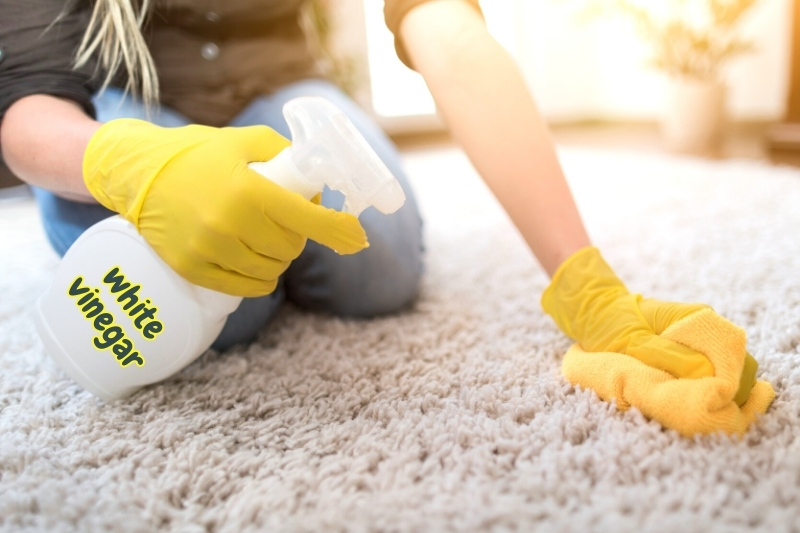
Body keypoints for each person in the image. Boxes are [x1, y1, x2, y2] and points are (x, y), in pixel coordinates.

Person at [0, 0, 762, 418]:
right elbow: (27, 106)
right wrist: (128, 164)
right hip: (130, 93)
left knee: (381, 269)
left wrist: (586, 281)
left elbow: (452, 40)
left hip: (278, 81)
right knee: (229, 310)